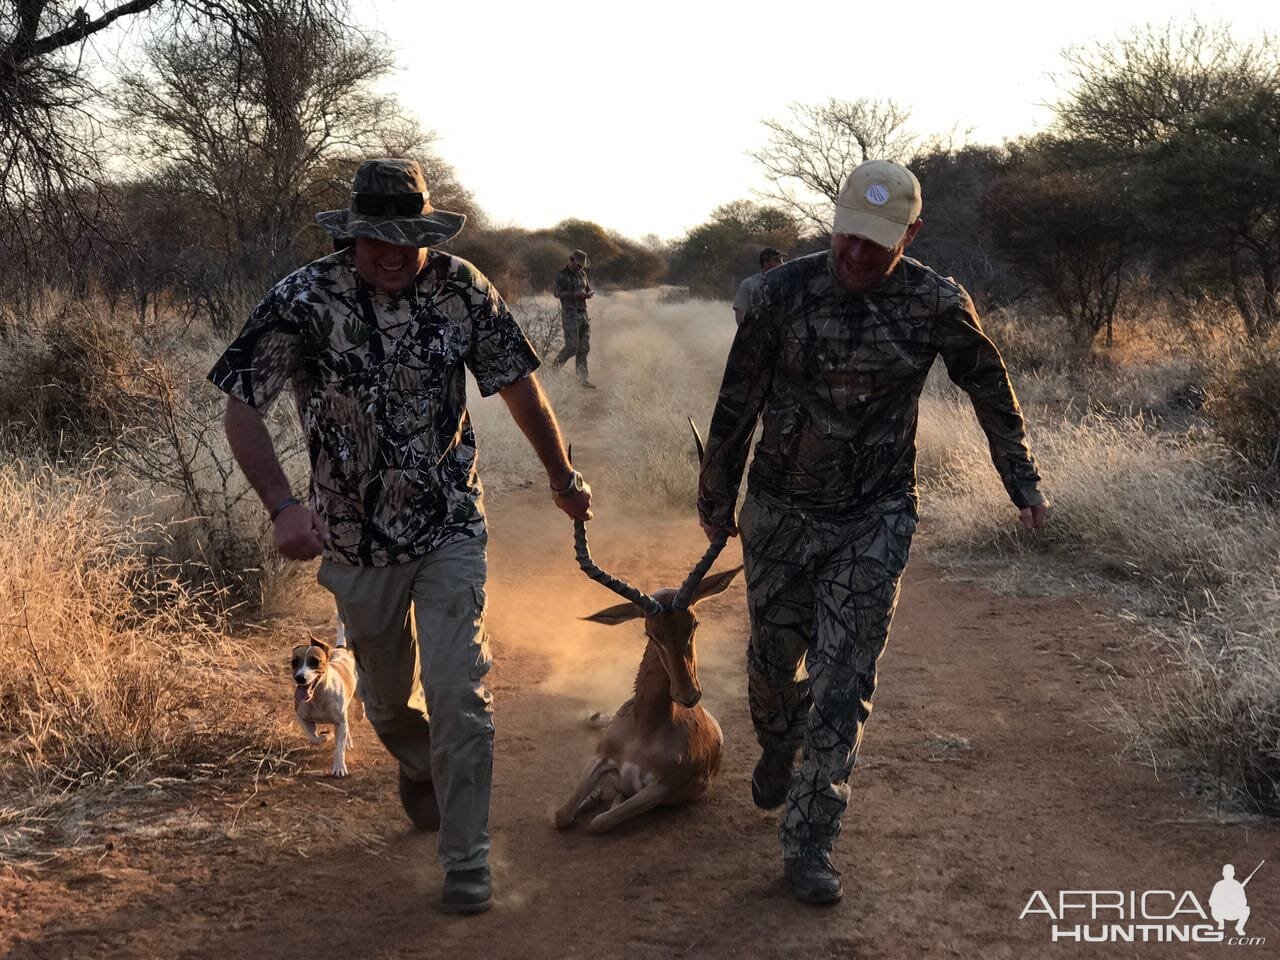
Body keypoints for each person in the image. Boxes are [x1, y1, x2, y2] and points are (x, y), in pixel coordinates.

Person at [208, 158, 593, 916]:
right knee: (385, 703)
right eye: (374, 239)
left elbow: (519, 386)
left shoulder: (460, 287)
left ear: (427, 234)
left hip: (450, 521)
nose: (391, 254)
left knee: (461, 693)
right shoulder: (304, 297)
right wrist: (285, 505)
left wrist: (562, 476)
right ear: (350, 236)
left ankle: (467, 859)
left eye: (406, 239)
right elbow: (242, 408)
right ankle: (419, 764)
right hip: (352, 540)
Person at [697, 159, 1049, 905]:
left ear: (912, 233)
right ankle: (777, 738)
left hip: (875, 515)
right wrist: (715, 496)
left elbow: (990, 388)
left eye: (879, 242)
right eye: (850, 236)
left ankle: (811, 840)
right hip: (781, 511)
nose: (859, 254)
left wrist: (1022, 481)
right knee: (770, 664)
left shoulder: (934, 301)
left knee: (843, 682)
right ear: (834, 222)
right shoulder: (777, 294)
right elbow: (738, 401)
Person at [552, 248, 595, 387]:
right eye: (579, 264)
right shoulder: (561, 275)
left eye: (582, 265)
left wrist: (588, 293)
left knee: (583, 348)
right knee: (572, 347)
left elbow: (587, 288)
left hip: (583, 314)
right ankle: (553, 370)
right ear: (571, 261)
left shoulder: (582, 274)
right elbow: (557, 293)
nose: (581, 267)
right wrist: (575, 295)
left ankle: (582, 380)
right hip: (570, 314)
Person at [732, 247, 786, 326]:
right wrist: (747, 335)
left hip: (785, 332)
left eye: (782, 260)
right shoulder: (748, 284)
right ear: (766, 263)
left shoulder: (787, 281)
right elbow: (740, 312)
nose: (782, 263)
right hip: (760, 331)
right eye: (777, 260)